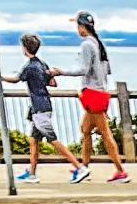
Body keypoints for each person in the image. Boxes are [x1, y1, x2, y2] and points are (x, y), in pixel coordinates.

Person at [12, 33, 84, 183]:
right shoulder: (42, 64)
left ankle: (79, 167)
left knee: (53, 140)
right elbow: (52, 83)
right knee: (33, 140)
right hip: (42, 106)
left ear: (25, 48)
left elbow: (15, 79)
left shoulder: (29, 66)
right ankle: (31, 173)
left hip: (39, 109)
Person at [72, 12, 129, 182]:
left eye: (78, 26)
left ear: (82, 27)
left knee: (105, 133)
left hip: (93, 93)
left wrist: (61, 72)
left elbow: (84, 70)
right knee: (86, 130)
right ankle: (85, 167)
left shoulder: (87, 45)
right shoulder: (99, 44)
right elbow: (106, 70)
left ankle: (120, 171)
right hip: (101, 92)